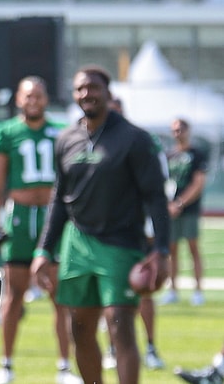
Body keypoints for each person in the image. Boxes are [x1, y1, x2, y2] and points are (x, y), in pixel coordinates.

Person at [32, 65, 171, 384]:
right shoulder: (66, 138)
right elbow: (59, 199)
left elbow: (155, 198)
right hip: (77, 244)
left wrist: (161, 250)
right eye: (80, 89)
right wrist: (44, 249)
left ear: (109, 94)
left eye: (94, 88)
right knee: (79, 330)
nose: (87, 94)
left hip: (121, 245)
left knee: (119, 326)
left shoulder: (135, 138)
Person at [0, 76, 80, 384]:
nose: (33, 100)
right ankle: (7, 364)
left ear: (46, 98)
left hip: (54, 217)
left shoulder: (60, 132)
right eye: (28, 95)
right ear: (19, 100)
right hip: (21, 218)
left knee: (60, 296)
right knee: (14, 294)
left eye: (38, 94)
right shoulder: (6, 132)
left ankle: (65, 366)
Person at [101, 96, 166, 371]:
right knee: (107, 298)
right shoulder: (94, 144)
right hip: (104, 233)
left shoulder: (142, 142)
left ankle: (150, 345)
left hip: (137, 231)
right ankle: (112, 348)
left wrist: (156, 236)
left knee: (144, 290)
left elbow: (157, 189)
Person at [161, 117, 209, 306]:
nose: (177, 133)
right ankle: (172, 290)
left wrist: (180, 203)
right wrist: (168, 205)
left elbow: (198, 183)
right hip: (171, 210)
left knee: (193, 248)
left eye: (180, 129)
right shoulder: (169, 156)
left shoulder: (197, 154)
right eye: (174, 130)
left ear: (188, 130)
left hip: (188, 210)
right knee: (171, 250)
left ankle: (198, 291)